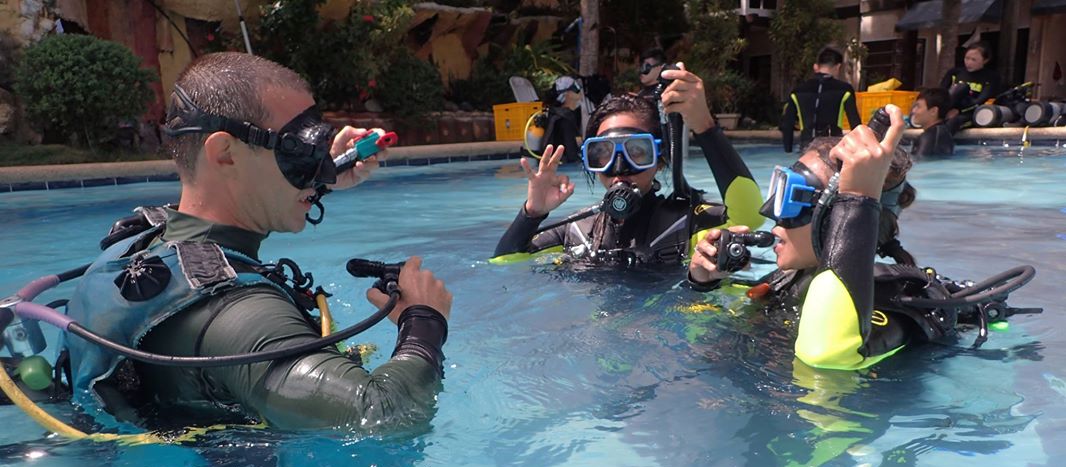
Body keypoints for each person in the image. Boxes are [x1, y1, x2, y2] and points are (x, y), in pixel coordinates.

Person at [61, 52, 452, 432]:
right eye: (297, 149)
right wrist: (423, 321)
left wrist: (319, 172)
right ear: (226, 153)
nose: (317, 166)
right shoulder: (238, 314)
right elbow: (382, 415)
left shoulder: (152, 241)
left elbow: (248, 200)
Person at [690, 104, 1036, 370]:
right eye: (777, 191)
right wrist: (704, 283)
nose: (770, 213)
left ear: (841, 216)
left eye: (792, 199)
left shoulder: (890, 307)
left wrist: (857, 199)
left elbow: (824, 357)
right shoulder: (786, 279)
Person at [493, 64, 764, 266]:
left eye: (637, 152)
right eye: (603, 153)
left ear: (659, 160)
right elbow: (505, 261)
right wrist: (533, 212)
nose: (620, 167)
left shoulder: (687, 223)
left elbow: (751, 217)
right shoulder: (577, 231)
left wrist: (703, 125)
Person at [779, 47, 862, 153]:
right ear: (838, 66)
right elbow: (855, 123)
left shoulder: (798, 91)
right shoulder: (844, 89)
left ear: (817, 66)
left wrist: (788, 149)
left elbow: (787, 124)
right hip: (832, 146)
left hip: (807, 146)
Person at [940, 41, 1000, 115]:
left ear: (985, 60)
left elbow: (981, 100)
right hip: (948, 107)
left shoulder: (991, 77)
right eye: (967, 58)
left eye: (973, 60)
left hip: (972, 112)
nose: (969, 62)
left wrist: (959, 111)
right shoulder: (954, 72)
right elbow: (941, 93)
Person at [540, 75, 584, 163]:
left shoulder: (557, 114)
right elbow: (571, 154)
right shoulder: (564, 119)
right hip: (564, 166)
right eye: (576, 89)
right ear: (567, 94)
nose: (580, 92)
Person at [909, 87, 957, 157]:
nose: (913, 111)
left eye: (918, 107)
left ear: (933, 111)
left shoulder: (928, 138)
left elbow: (919, 164)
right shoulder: (943, 132)